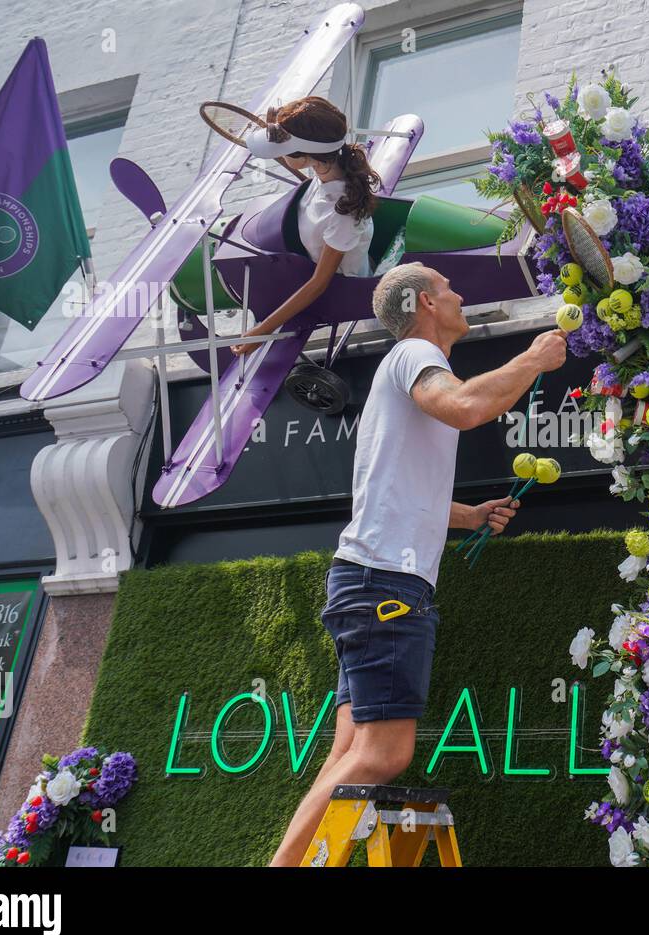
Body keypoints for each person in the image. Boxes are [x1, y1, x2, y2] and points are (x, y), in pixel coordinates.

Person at [269, 262, 568, 865]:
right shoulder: (411, 355)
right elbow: (462, 407)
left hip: (366, 579)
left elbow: (403, 493)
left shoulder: (403, 370)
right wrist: (534, 359)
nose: (459, 294)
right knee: (383, 756)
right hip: (385, 585)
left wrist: (471, 516)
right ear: (424, 302)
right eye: (449, 287)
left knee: (350, 755)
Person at [232, 96, 379, 357]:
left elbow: (319, 283)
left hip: (343, 294)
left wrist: (263, 331)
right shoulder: (326, 169)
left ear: (306, 155)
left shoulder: (341, 214)